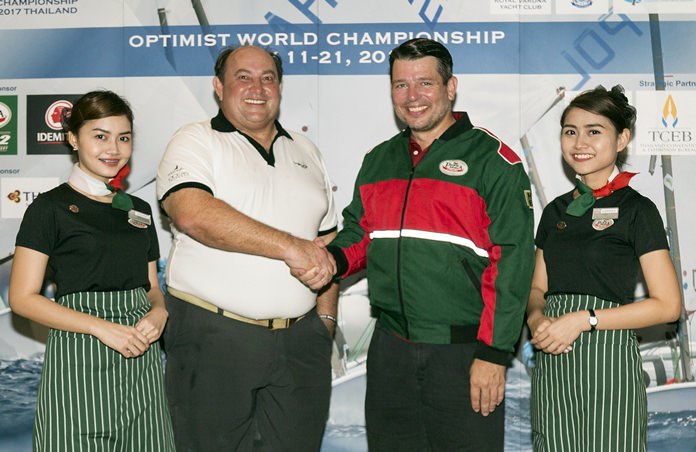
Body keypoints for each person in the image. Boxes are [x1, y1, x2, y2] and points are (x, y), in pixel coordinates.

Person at [319, 38, 535, 451]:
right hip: (390, 350)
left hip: (465, 352)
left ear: (451, 86)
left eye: (424, 83)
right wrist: (328, 259)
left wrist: (493, 355)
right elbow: (360, 234)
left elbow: (511, 264)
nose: (412, 96)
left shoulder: (494, 160)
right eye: (400, 85)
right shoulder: (379, 159)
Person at [156, 45, 338, 452]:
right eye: (243, 76)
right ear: (219, 87)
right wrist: (290, 247)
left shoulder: (307, 151)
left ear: (280, 87)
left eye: (268, 77)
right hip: (214, 339)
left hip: (301, 342)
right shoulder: (195, 140)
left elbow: (326, 244)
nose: (257, 87)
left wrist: (324, 320)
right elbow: (193, 214)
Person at [9, 90, 175, 451]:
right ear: (73, 138)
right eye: (100, 136)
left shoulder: (139, 209)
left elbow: (151, 287)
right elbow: (21, 298)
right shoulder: (48, 209)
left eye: (123, 137)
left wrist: (160, 312)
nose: (113, 148)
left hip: (141, 361)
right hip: (79, 358)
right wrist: (102, 328)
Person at [526, 85, 681, 451]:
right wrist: (537, 320)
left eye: (594, 131)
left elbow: (668, 305)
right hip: (553, 359)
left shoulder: (637, 210)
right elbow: (536, 289)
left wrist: (583, 320)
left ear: (622, 138)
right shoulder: (555, 212)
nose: (580, 142)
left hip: (608, 360)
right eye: (570, 131)